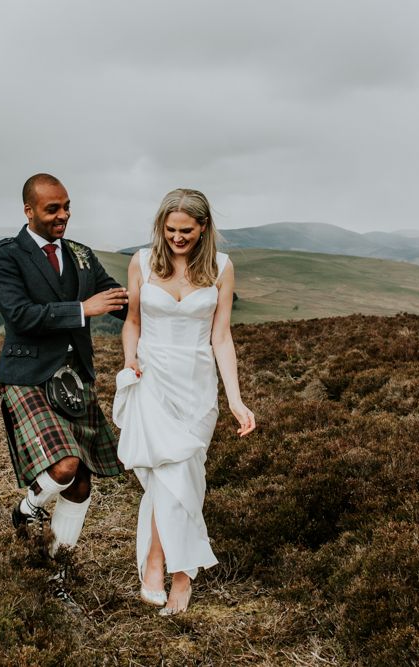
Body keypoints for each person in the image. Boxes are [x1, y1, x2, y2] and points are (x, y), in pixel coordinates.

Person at [113, 188, 255, 616]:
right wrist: (129, 360)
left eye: (186, 231)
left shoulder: (221, 268)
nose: (177, 238)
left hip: (197, 387)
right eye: (170, 230)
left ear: (203, 228)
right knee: (165, 475)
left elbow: (222, 336)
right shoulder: (141, 262)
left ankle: (175, 571)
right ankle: (167, 569)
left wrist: (235, 398)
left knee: (185, 476)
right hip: (153, 381)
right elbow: (132, 323)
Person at [0, 173, 128, 578]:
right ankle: (26, 511)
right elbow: (20, 315)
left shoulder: (81, 254)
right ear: (29, 210)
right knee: (64, 467)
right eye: (53, 209)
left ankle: (54, 567)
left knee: (81, 485)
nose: (63, 215)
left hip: (75, 380)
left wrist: (171, 307)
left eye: (67, 207)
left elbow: (117, 301)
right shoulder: (6, 255)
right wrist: (84, 309)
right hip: (28, 376)